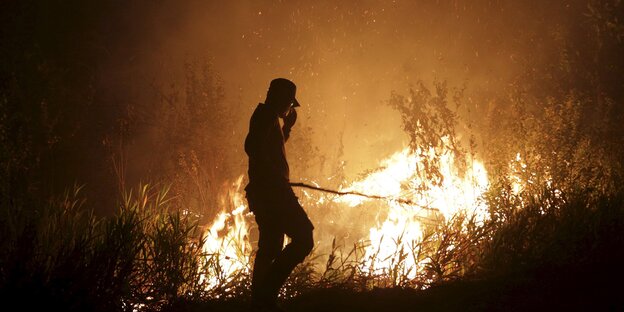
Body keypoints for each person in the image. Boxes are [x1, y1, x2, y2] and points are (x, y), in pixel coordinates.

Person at [244, 78, 314, 312]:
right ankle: (266, 293)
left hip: (268, 192)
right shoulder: (264, 116)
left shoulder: (268, 118)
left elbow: (269, 147)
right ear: (281, 99)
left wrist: (287, 129)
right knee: (304, 237)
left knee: (271, 247)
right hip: (273, 193)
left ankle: (260, 303)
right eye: (289, 103)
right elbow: (252, 146)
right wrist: (272, 177)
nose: (289, 109)